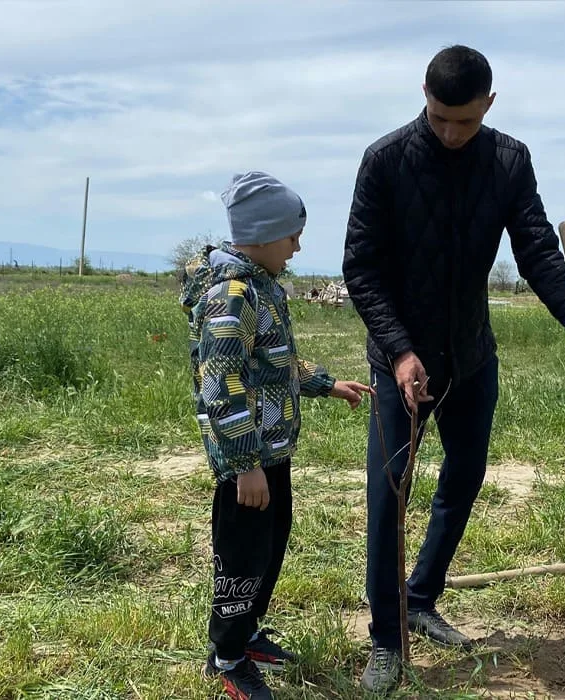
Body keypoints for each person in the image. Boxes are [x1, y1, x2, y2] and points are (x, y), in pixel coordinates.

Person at [341, 45, 565, 693]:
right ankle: (387, 638)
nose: (448, 133)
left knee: (464, 477)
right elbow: (361, 267)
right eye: (439, 118)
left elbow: (537, 251)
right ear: (424, 95)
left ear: (488, 105)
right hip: (400, 360)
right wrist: (400, 351)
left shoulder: (507, 160)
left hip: (470, 354)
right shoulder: (384, 162)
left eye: (463, 122)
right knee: (389, 494)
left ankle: (422, 596)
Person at [182, 171, 374, 700]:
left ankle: (247, 634)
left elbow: (273, 364)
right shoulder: (232, 294)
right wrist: (244, 464)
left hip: (272, 452)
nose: (297, 246)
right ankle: (226, 657)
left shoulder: (262, 288)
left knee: (269, 546)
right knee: (241, 554)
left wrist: (328, 384)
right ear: (264, 236)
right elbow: (221, 382)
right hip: (249, 460)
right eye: (292, 236)